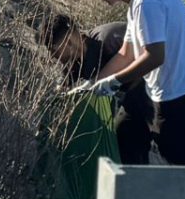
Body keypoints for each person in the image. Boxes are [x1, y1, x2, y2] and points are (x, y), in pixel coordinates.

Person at [83, 0, 185, 165]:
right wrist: (95, 84)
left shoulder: (146, 3)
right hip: (158, 91)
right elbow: (126, 54)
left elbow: (155, 57)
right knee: (129, 136)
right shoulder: (139, 2)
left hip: (175, 94)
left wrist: (114, 82)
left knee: (181, 164)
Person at [42, 13, 154, 164]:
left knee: (127, 137)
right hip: (134, 96)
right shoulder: (75, 62)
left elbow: (146, 61)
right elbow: (64, 89)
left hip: (156, 85)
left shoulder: (109, 40)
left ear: (68, 42)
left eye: (53, 50)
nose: (52, 56)